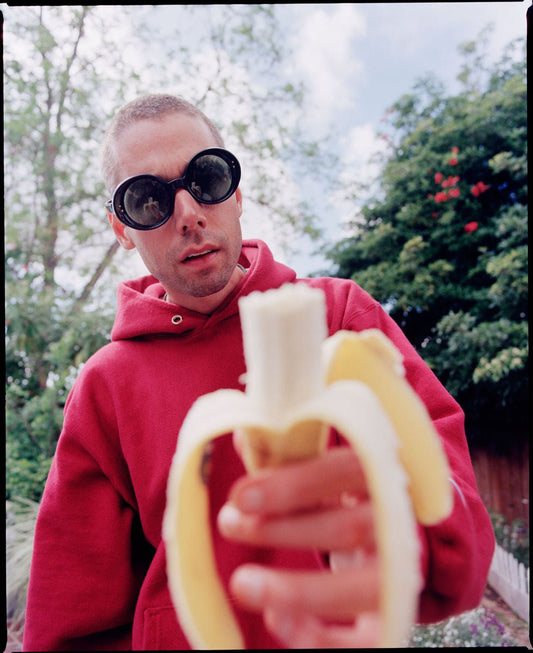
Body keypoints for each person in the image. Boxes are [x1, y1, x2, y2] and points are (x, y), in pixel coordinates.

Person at [23, 94, 495, 650]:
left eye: (208, 177)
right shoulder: (104, 385)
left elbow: (458, 546)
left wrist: (402, 531)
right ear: (121, 229)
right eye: (148, 200)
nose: (189, 213)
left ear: (238, 192)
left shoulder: (342, 316)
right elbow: (69, 619)